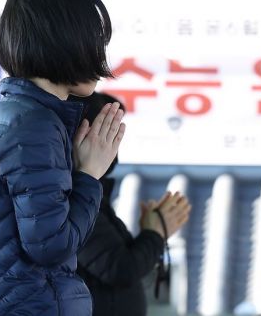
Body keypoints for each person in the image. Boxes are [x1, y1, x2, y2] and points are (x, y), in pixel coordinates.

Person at [0, 0, 124, 315]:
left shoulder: (30, 116)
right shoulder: (36, 126)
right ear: (65, 41)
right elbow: (50, 247)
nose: (100, 54)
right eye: (95, 40)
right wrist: (90, 175)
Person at [74, 93, 191, 316]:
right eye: (108, 133)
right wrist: (154, 233)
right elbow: (119, 269)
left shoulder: (89, 192)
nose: (114, 145)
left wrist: (154, 234)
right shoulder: (73, 193)